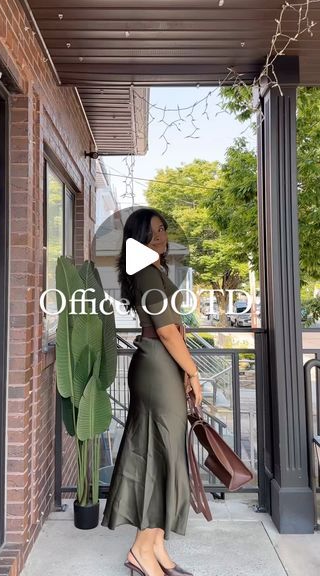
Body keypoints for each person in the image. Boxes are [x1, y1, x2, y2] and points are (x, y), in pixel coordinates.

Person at [101, 208, 203, 576]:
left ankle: (155, 546)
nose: (161, 237)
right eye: (153, 232)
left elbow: (173, 329)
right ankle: (141, 551)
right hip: (158, 366)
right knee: (161, 454)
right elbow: (166, 330)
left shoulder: (154, 269)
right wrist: (193, 372)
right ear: (138, 238)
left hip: (163, 364)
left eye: (163, 229)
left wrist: (186, 369)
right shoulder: (145, 271)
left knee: (165, 452)